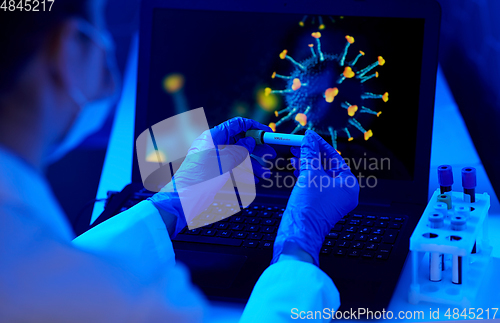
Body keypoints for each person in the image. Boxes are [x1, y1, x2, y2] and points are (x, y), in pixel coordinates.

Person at [0, 1, 359, 322]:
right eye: (98, 26)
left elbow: (64, 276)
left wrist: (174, 202)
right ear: (66, 50)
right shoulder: (130, 304)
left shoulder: (23, 249)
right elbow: (78, 284)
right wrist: (298, 249)